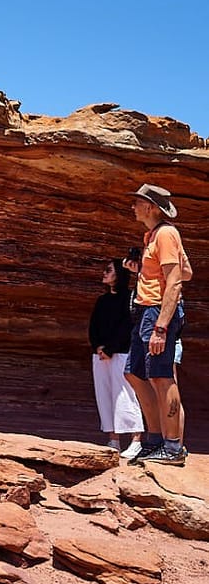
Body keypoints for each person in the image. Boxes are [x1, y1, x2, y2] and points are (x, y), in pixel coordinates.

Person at [124, 184, 192, 465]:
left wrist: (162, 326)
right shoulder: (153, 236)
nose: (133, 207)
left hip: (157, 313)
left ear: (150, 207)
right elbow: (186, 271)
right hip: (145, 311)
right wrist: (144, 271)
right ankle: (154, 441)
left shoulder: (166, 234)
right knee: (135, 374)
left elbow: (176, 281)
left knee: (162, 377)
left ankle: (173, 447)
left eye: (137, 203)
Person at [88, 258, 143, 458]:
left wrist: (110, 348)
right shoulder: (102, 301)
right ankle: (114, 440)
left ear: (118, 274)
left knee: (125, 395)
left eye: (108, 270)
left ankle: (136, 439)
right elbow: (93, 326)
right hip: (101, 355)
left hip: (121, 353)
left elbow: (127, 327)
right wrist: (98, 347)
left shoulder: (129, 298)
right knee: (105, 395)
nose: (104, 273)